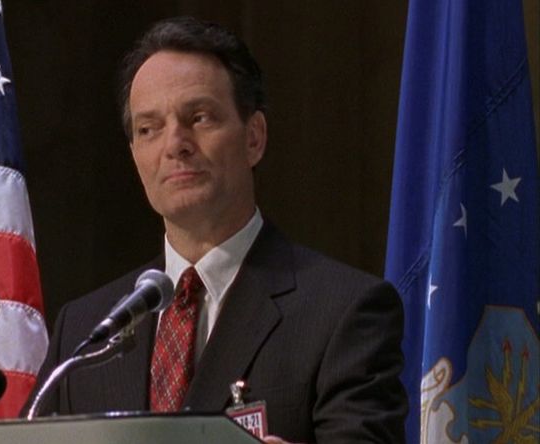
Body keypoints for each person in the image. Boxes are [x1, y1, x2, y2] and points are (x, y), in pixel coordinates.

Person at [25, 16, 407, 443]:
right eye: (149, 129)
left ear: (254, 138)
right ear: (134, 154)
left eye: (200, 118)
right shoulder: (85, 331)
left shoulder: (343, 312)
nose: (175, 144)